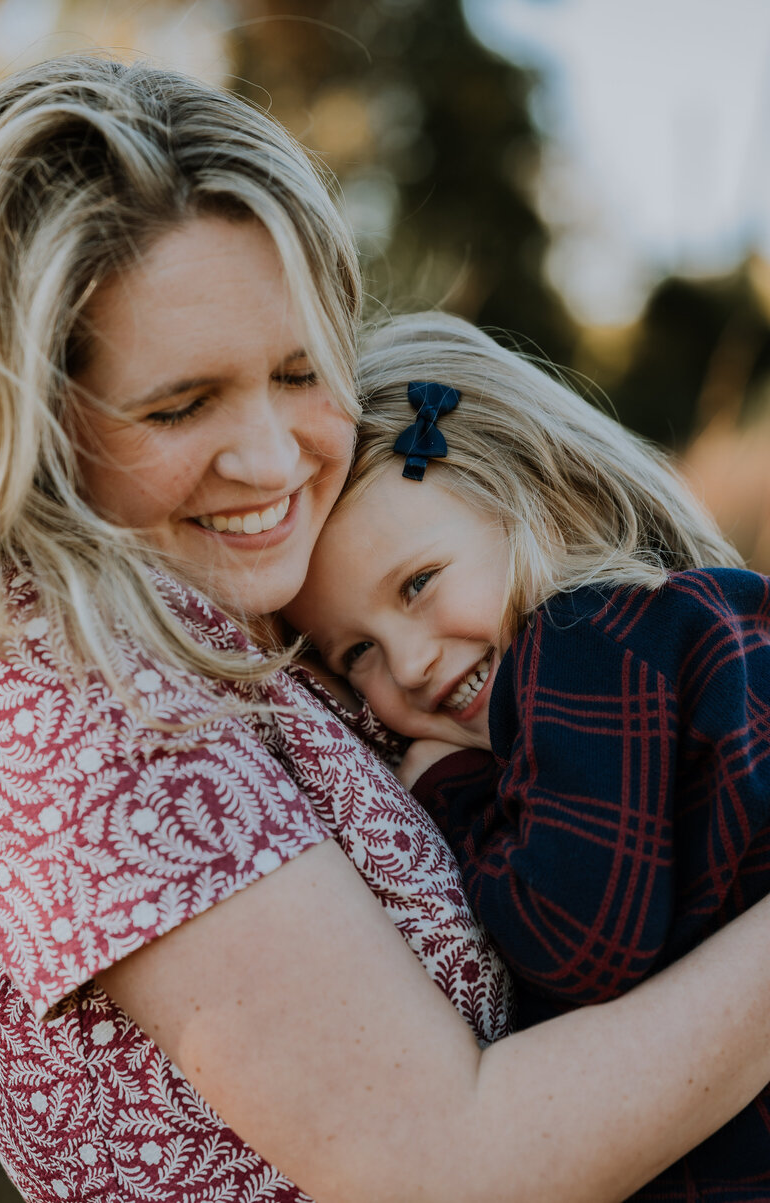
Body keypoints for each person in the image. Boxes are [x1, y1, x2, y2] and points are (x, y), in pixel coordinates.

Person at [0, 55, 769, 1203]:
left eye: (301, 373)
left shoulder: (233, 613)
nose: (270, 460)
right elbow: (448, 1170)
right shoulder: (72, 701)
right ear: (33, 415)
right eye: (181, 404)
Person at [286, 310, 770, 1197]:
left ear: (546, 498)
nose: (412, 661)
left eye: (420, 583)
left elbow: (576, 943)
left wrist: (449, 789)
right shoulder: (677, 626)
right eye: (357, 651)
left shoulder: (581, 643)